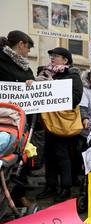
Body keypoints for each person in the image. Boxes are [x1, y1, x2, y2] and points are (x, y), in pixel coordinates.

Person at [36, 47, 83, 202]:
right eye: (52, 56)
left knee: (63, 155)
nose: (52, 58)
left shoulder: (73, 75)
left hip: (62, 123)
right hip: (48, 121)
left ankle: (65, 188)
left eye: (56, 56)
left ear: (66, 60)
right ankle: (50, 186)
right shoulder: (45, 73)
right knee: (48, 155)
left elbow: (75, 99)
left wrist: (53, 86)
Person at [0, 31, 35, 209]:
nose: (28, 53)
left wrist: (32, 84)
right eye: (28, 49)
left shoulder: (24, 66)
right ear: (21, 44)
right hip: (4, 117)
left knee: (22, 158)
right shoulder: (2, 61)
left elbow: (30, 82)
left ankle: (17, 195)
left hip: (20, 119)